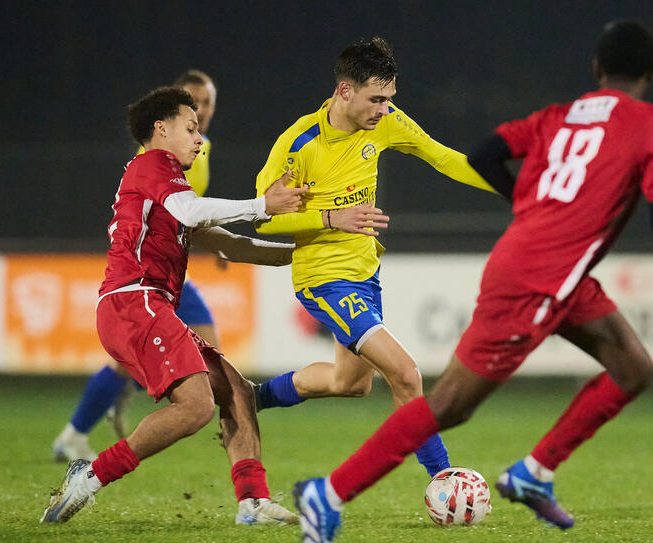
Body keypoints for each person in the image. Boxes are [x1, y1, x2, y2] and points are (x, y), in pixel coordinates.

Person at [293, 20, 653, 542]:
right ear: (652, 72)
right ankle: (328, 495)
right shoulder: (651, 122)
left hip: (560, 272)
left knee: (633, 367)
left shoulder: (561, 115)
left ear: (597, 70)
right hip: (536, 278)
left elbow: (485, 153)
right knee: (448, 407)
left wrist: (525, 201)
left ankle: (533, 474)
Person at [41, 86, 310, 525]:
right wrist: (263, 204)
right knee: (197, 406)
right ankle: (88, 477)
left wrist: (304, 253)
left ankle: (252, 502)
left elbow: (231, 247)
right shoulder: (152, 166)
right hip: (135, 300)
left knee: (237, 391)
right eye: (191, 127)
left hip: (149, 304)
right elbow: (192, 212)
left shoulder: (165, 187)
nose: (199, 138)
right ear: (160, 129)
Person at [250, 37, 498, 479]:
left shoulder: (384, 122)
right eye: (376, 99)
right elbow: (264, 222)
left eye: (390, 99)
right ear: (345, 91)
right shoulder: (298, 146)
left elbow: (442, 158)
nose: (385, 109)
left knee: (350, 383)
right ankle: (444, 481)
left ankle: (250, 399)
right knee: (405, 374)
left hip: (365, 272)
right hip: (323, 278)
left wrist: (515, 188)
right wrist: (332, 218)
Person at [51, 70, 224, 462]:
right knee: (214, 358)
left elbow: (187, 214)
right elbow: (165, 209)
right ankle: (240, 463)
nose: (203, 110)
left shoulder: (201, 147)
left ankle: (77, 431)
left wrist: (212, 242)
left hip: (169, 270)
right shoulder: (155, 157)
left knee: (136, 361)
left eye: (208, 102)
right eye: (194, 102)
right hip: (146, 274)